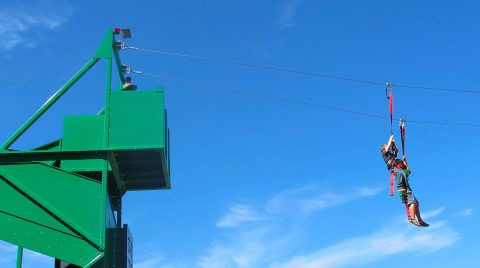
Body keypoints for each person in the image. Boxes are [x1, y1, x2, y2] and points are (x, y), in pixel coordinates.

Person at [380, 134, 429, 227]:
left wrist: (406, 163)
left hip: (406, 186)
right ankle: (412, 218)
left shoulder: (396, 160)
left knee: (416, 202)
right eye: (388, 147)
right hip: (402, 186)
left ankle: (419, 219)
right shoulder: (386, 155)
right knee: (413, 201)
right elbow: (387, 149)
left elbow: (408, 171)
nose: (389, 148)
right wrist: (391, 138)